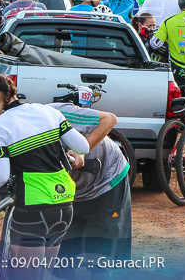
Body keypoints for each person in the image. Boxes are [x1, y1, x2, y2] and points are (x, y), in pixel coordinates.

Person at [0, 75, 90, 262]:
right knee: (46, 272)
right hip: (64, 203)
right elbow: (83, 148)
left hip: (33, 207)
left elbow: (1, 175)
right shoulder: (47, 112)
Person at [50, 90, 131, 258]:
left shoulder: (56, 112)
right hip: (72, 188)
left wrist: (81, 150)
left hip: (107, 178)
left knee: (103, 244)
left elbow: (110, 119)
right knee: (66, 248)